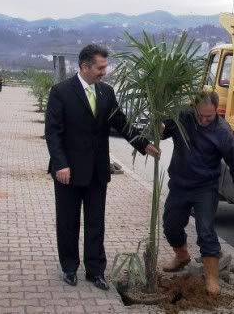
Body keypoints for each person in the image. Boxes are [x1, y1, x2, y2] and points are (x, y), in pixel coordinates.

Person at [45, 44, 159, 290]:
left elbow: (122, 123)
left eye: (105, 67)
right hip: (68, 172)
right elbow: (53, 133)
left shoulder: (107, 93)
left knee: (96, 222)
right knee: (68, 221)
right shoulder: (61, 92)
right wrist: (60, 164)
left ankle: (96, 271)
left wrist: (144, 144)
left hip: (97, 171)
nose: (104, 72)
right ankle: (69, 267)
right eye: (100, 67)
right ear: (85, 67)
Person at [160, 91, 234, 295]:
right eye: (199, 115)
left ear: (216, 111)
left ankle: (211, 277)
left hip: (205, 187)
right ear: (194, 109)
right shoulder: (184, 117)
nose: (203, 120)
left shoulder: (222, 131)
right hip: (180, 183)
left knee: (206, 230)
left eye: (208, 116)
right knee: (170, 225)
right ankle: (181, 255)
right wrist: (159, 125)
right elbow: (162, 131)